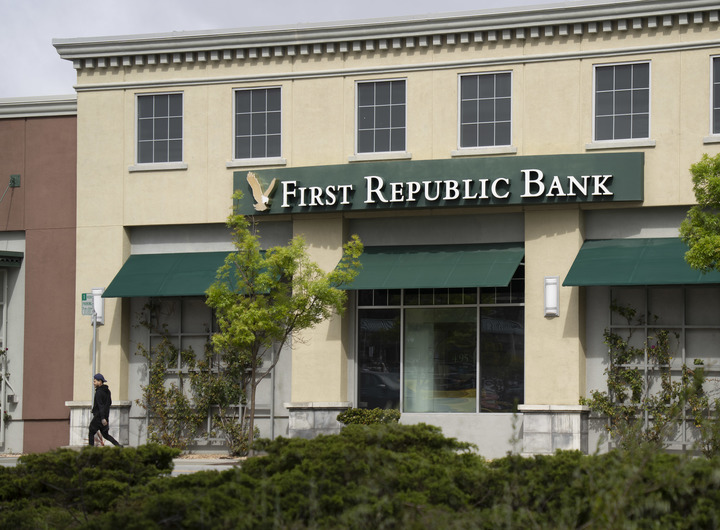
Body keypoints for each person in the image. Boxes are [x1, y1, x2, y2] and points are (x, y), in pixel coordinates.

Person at [89, 373, 121, 447]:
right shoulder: (107, 391)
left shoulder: (98, 392)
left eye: (95, 381)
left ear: (100, 381)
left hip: (99, 417)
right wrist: (105, 417)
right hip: (105, 416)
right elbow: (109, 403)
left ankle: (90, 450)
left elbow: (100, 406)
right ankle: (118, 446)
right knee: (105, 435)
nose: (93, 383)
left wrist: (102, 418)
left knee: (91, 432)